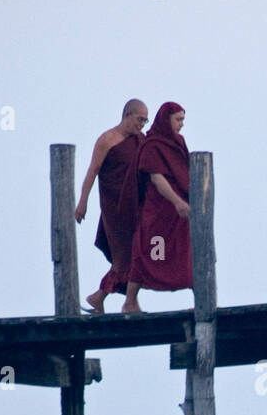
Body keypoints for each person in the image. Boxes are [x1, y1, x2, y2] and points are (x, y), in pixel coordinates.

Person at [75, 99, 148, 313]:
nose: (142, 125)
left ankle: (100, 297)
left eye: (145, 121)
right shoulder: (108, 139)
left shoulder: (141, 140)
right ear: (127, 115)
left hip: (136, 206)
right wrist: (82, 201)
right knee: (126, 257)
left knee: (137, 253)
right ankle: (126, 302)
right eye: (139, 119)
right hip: (114, 208)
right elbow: (93, 170)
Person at [123, 102, 192, 313]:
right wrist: (177, 202)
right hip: (159, 211)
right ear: (166, 119)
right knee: (147, 253)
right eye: (177, 120)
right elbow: (156, 177)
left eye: (183, 120)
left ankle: (204, 297)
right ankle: (130, 302)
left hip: (179, 215)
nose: (181, 125)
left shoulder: (178, 142)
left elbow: (185, 172)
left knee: (189, 253)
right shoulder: (152, 145)